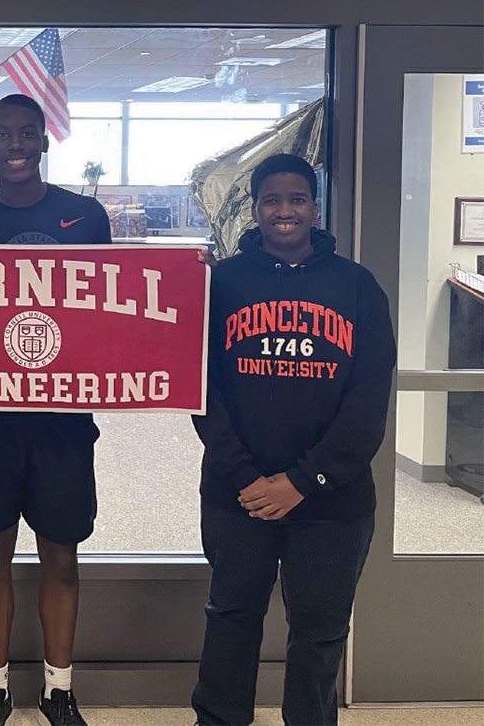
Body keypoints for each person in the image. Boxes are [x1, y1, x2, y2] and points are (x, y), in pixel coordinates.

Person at [191, 153, 395, 726]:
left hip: (333, 502)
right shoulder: (222, 284)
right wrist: (248, 479)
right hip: (239, 494)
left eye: (297, 198)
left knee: (320, 634)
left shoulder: (357, 288)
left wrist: (304, 481)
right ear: (255, 211)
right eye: (272, 200)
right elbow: (203, 392)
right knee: (231, 618)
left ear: (315, 207)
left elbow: (368, 402)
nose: (285, 210)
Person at [0, 93, 111, 726]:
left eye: (25, 134)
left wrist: (187, 278)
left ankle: (59, 689)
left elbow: (109, 313)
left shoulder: (87, 217)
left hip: (65, 423)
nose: (14, 144)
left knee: (62, 555)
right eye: (3, 135)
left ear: (43, 142)